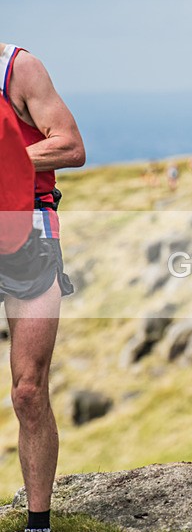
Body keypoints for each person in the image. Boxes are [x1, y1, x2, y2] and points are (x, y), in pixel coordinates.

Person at [0, 42, 85, 532]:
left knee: (28, 391)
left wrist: (5, 164)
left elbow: (71, 146)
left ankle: (38, 524)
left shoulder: (18, 67)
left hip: (29, 229)